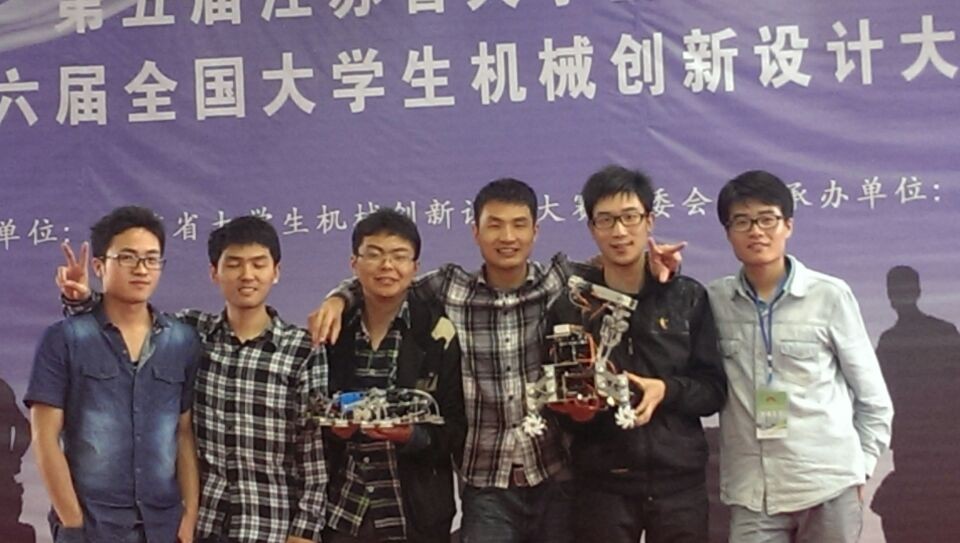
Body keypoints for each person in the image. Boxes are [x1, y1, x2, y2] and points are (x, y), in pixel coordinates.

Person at [310, 179, 683, 543]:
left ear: (535, 231)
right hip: (485, 483)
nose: (508, 237)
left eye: (519, 225)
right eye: (495, 225)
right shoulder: (450, 287)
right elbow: (388, 279)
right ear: (475, 232)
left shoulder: (560, 280)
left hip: (556, 475)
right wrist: (340, 298)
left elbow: (618, 273)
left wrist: (656, 268)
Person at [57, 215, 327, 543]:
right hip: (199, 527)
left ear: (276, 271)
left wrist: (303, 533)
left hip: (271, 527)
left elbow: (314, 452)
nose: (247, 275)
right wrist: (83, 301)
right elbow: (128, 323)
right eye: (234, 264)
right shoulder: (188, 333)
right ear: (214, 272)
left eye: (259, 264)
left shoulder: (302, 349)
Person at [706, 170, 893, 542]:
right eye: (742, 221)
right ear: (728, 233)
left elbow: (873, 398)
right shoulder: (714, 300)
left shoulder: (829, 296)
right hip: (753, 492)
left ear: (788, 225)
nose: (756, 231)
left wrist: (860, 468)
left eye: (767, 219)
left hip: (826, 484)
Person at [546, 165, 726, 543]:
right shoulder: (571, 307)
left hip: (679, 484)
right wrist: (579, 412)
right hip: (602, 485)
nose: (619, 231)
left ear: (649, 221)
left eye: (630, 217)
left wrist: (666, 390)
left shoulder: (686, 296)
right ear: (592, 228)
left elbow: (713, 390)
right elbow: (557, 402)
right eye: (606, 220)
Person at [28, 205, 201, 543]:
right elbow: (44, 437)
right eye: (127, 258)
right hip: (92, 526)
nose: (141, 269)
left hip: (163, 527)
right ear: (99, 266)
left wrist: (189, 515)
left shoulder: (182, 340)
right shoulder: (66, 338)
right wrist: (73, 521)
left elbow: (183, 434)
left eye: (151, 259)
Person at [323, 209, 466, 542]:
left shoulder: (437, 332)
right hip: (344, 509)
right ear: (354, 263)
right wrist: (334, 432)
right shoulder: (333, 331)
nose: (386, 266)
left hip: (416, 512)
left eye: (399, 256)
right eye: (374, 255)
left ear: (415, 268)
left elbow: (456, 426)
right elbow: (312, 418)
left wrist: (411, 435)